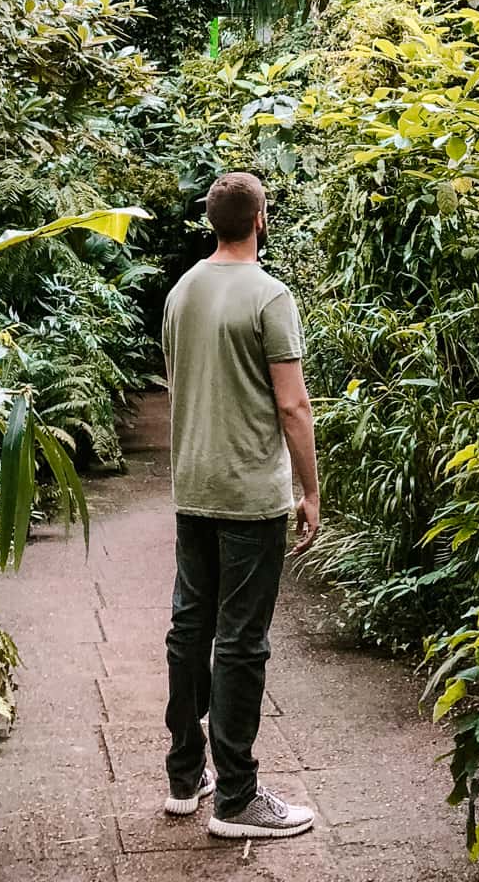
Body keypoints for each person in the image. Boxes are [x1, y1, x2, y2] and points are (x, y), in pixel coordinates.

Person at [159, 169, 320, 840]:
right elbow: (293, 404)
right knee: (243, 645)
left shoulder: (181, 291)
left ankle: (183, 776)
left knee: (189, 632)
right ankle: (237, 798)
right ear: (261, 220)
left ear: (210, 221)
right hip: (251, 495)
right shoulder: (269, 295)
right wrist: (311, 491)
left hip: (193, 488)